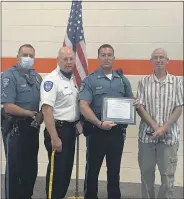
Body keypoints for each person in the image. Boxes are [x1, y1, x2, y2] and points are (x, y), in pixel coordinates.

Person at [79, 44, 139, 199]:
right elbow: (83, 106)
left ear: (114, 58)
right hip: (96, 131)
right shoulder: (90, 80)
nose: (106, 58)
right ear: (98, 58)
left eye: (109, 55)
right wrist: (99, 123)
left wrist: (134, 104)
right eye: (103, 55)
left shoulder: (122, 80)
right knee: (92, 171)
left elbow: (130, 101)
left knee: (114, 171)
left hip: (116, 134)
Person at [136, 48, 183, 199]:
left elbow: (179, 107)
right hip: (147, 138)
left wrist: (164, 128)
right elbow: (140, 107)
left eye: (162, 57)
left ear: (167, 60)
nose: (159, 60)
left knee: (167, 177)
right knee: (146, 175)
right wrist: (156, 127)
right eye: (155, 57)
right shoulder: (143, 82)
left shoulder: (177, 82)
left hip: (169, 138)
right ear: (151, 61)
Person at [1, 44, 42, 199]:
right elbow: (8, 106)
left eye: (31, 55)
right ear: (17, 57)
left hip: (32, 128)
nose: (28, 58)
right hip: (15, 128)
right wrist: (30, 113)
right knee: (15, 170)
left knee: (31, 169)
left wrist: (40, 115)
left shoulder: (37, 77)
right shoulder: (9, 75)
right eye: (25, 55)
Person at [40, 46, 80, 199]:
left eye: (71, 59)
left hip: (69, 131)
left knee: (66, 172)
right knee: (56, 174)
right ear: (58, 60)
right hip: (57, 131)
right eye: (65, 59)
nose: (69, 62)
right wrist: (54, 137)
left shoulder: (72, 79)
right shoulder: (51, 80)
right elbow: (47, 110)